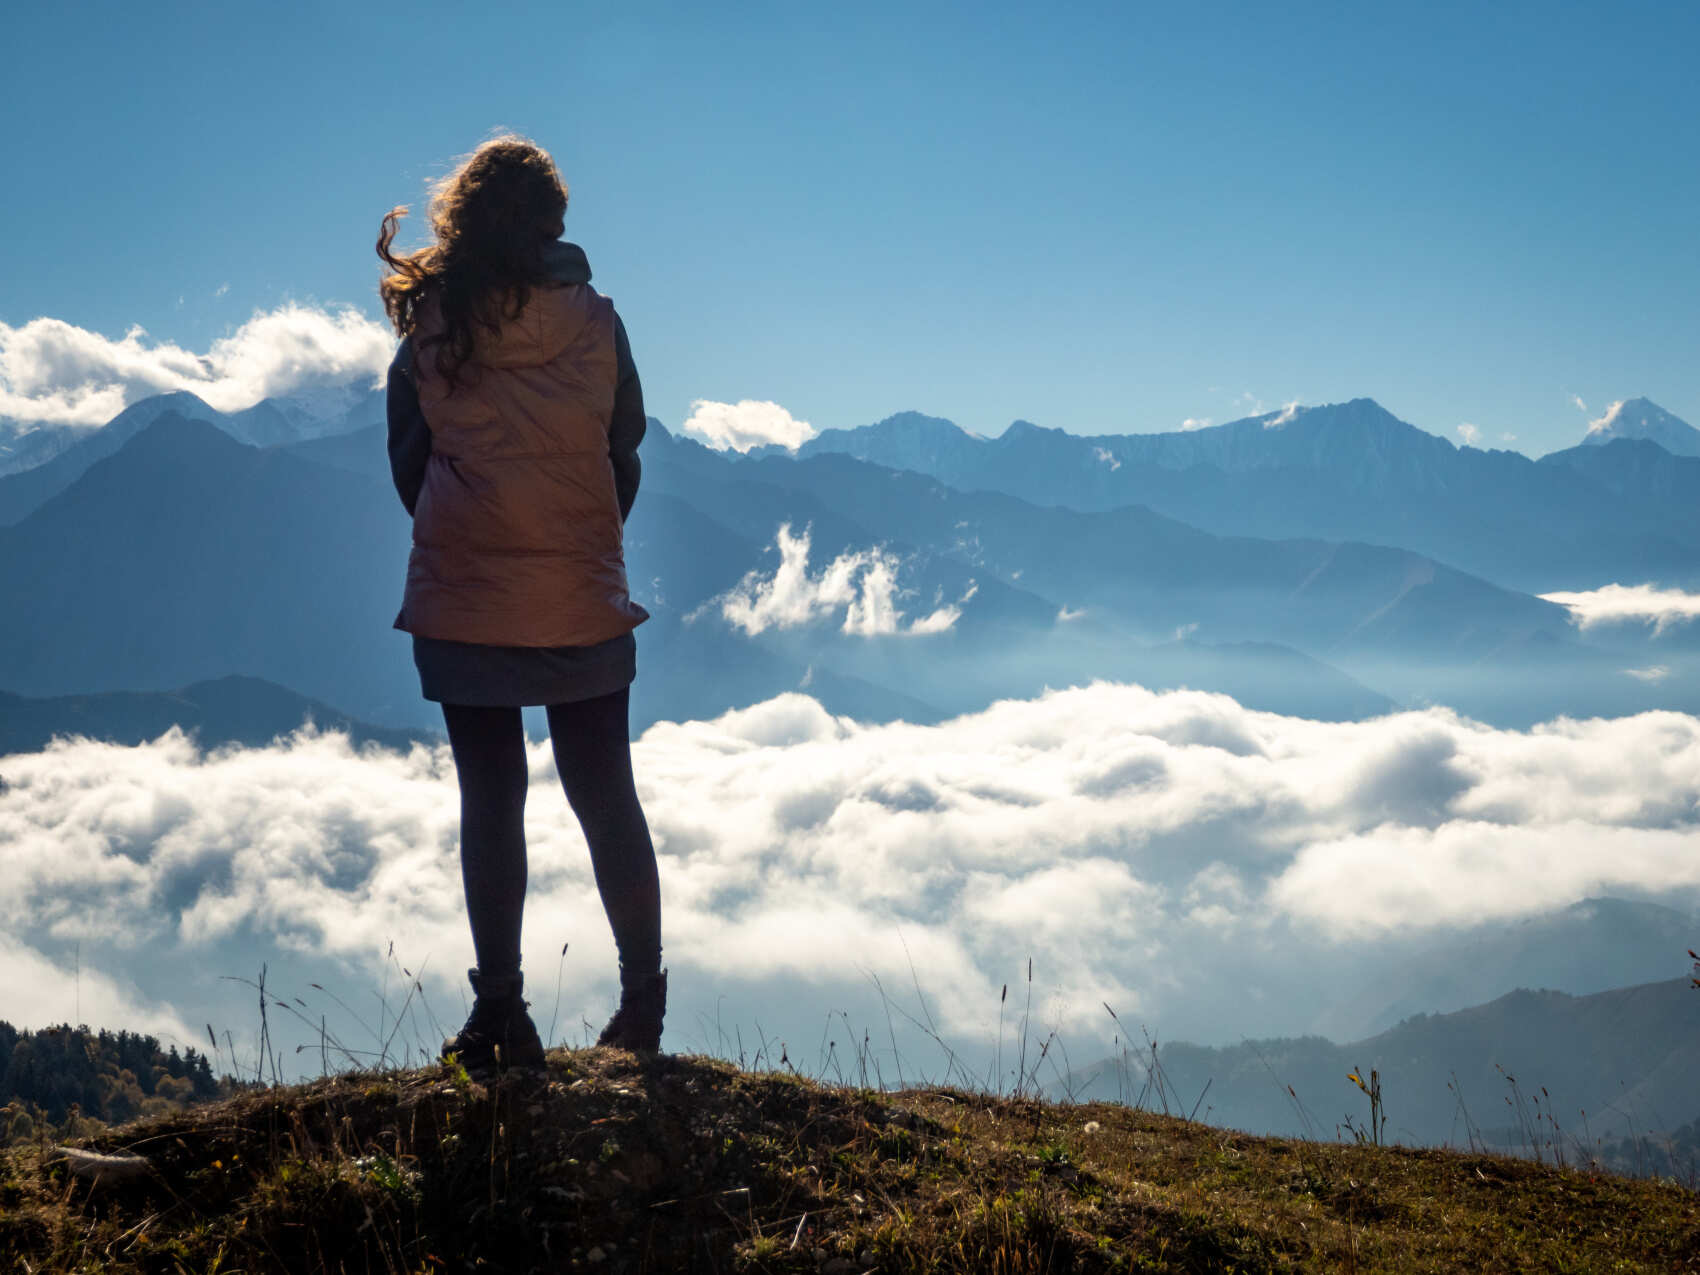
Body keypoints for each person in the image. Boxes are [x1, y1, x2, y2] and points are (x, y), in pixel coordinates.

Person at [376, 135, 665, 1069]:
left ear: (460, 217)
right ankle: (642, 1002)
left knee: (491, 795)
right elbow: (624, 445)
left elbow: (408, 462)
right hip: (583, 589)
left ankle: (499, 1011)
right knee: (605, 791)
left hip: (467, 595)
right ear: (554, 222)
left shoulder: (433, 323)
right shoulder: (600, 323)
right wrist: (583, 532)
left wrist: (472, 527)